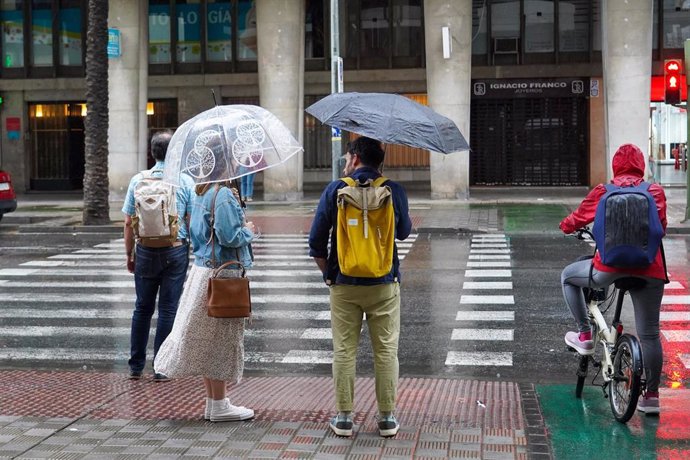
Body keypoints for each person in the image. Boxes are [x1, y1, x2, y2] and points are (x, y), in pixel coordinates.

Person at [308, 136, 412, 437]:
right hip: (384, 283)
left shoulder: (336, 190)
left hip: (344, 285)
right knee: (386, 351)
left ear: (354, 158)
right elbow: (404, 233)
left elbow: (315, 243)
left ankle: (343, 418)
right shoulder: (393, 190)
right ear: (381, 160)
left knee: (343, 350)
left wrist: (330, 275)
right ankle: (387, 418)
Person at [559, 143, 667, 415]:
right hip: (650, 269)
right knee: (650, 334)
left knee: (568, 278)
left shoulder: (603, 191)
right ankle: (651, 397)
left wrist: (565, 226)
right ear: (641, 165)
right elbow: (661, 227)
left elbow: (577, 219)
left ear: (615, 166)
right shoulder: (654, 192)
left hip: (608, 268)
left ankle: (585, 334)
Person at [154, 181, 256, 422]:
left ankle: (215, 402)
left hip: (204, 272)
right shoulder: (223, 196)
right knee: (221, 340)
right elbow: (229, 237)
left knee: (210, 340)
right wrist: (249, 229)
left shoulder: (202, 192)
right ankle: (219, 405)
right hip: (223, 274)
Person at [122, 130, 193, 382]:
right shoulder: (184, 181)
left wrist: (129, 254)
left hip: (145, 250)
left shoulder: (137, 180)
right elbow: (191, 220)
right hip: (175, 249)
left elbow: (129, 222)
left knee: (142, 308)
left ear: (152, 152)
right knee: (168, 309)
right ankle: (161, 367)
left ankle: (135, 366)